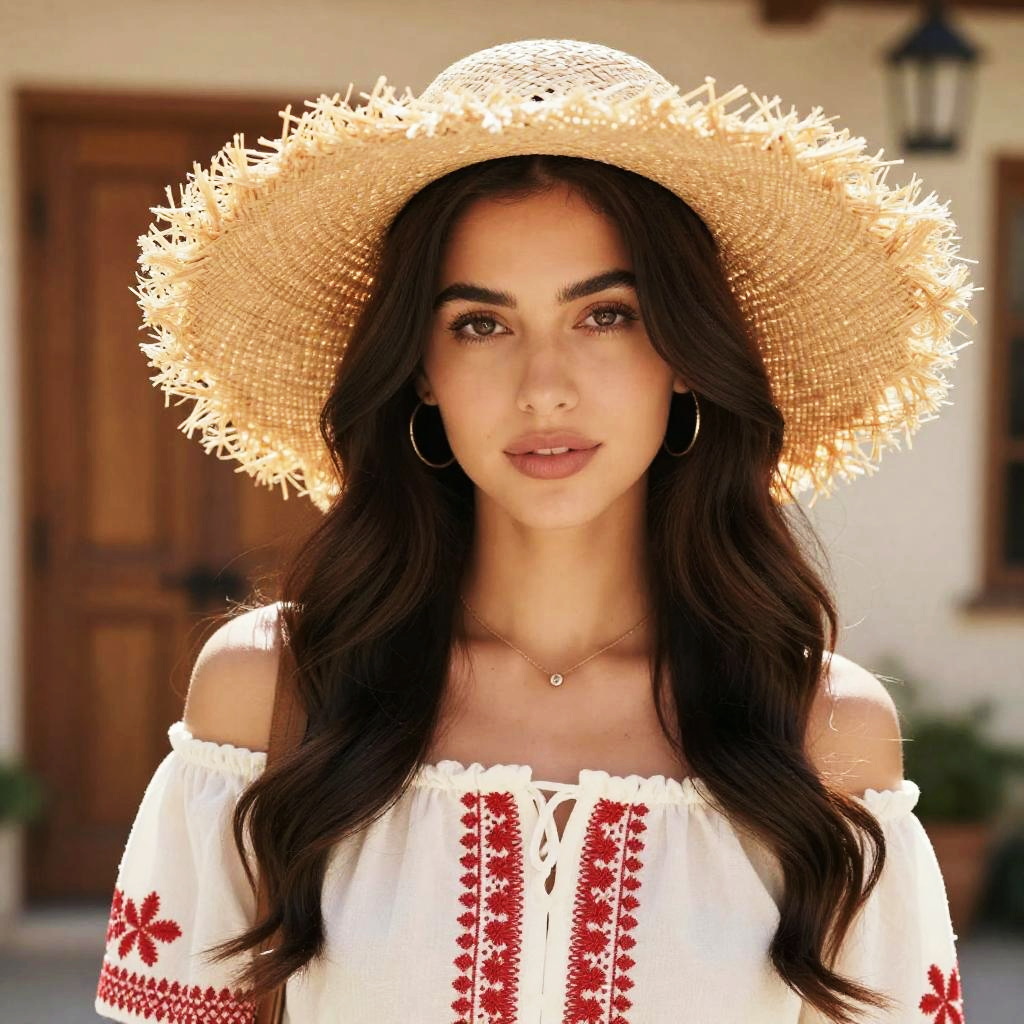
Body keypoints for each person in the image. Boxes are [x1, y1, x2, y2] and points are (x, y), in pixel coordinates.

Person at [95, 39, 975, 1024]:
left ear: (686, 354)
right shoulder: (271, 695)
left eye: (606, 315)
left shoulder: (821, 731)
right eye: (481, 324)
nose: (544, 388)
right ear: (421, 370)